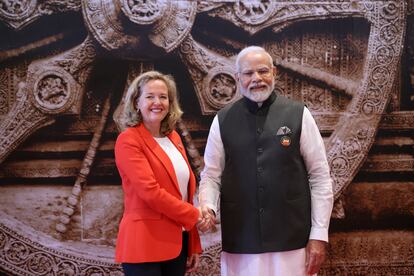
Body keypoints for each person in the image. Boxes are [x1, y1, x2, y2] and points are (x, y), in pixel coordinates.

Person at [198, 46, 334, 276]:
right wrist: (208, 206)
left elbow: (320, 177)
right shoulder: (222, 120)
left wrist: (319, 235)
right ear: (238, 78)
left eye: (263, 71)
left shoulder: (298, 114)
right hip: (241, 242)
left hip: (293, 241)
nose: (257, 79)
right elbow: (211, 175)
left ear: (274, 72)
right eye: (249, 73)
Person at [114, 71, 203, 276]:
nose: (158, 102)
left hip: (177, 244)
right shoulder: (129, 140)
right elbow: (150, 192)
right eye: (150, 96)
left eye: (163, 97)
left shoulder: (173, 138)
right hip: (144, 245)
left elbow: (184, 195)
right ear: (136, 102)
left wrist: (192, 244)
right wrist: (195, 216)